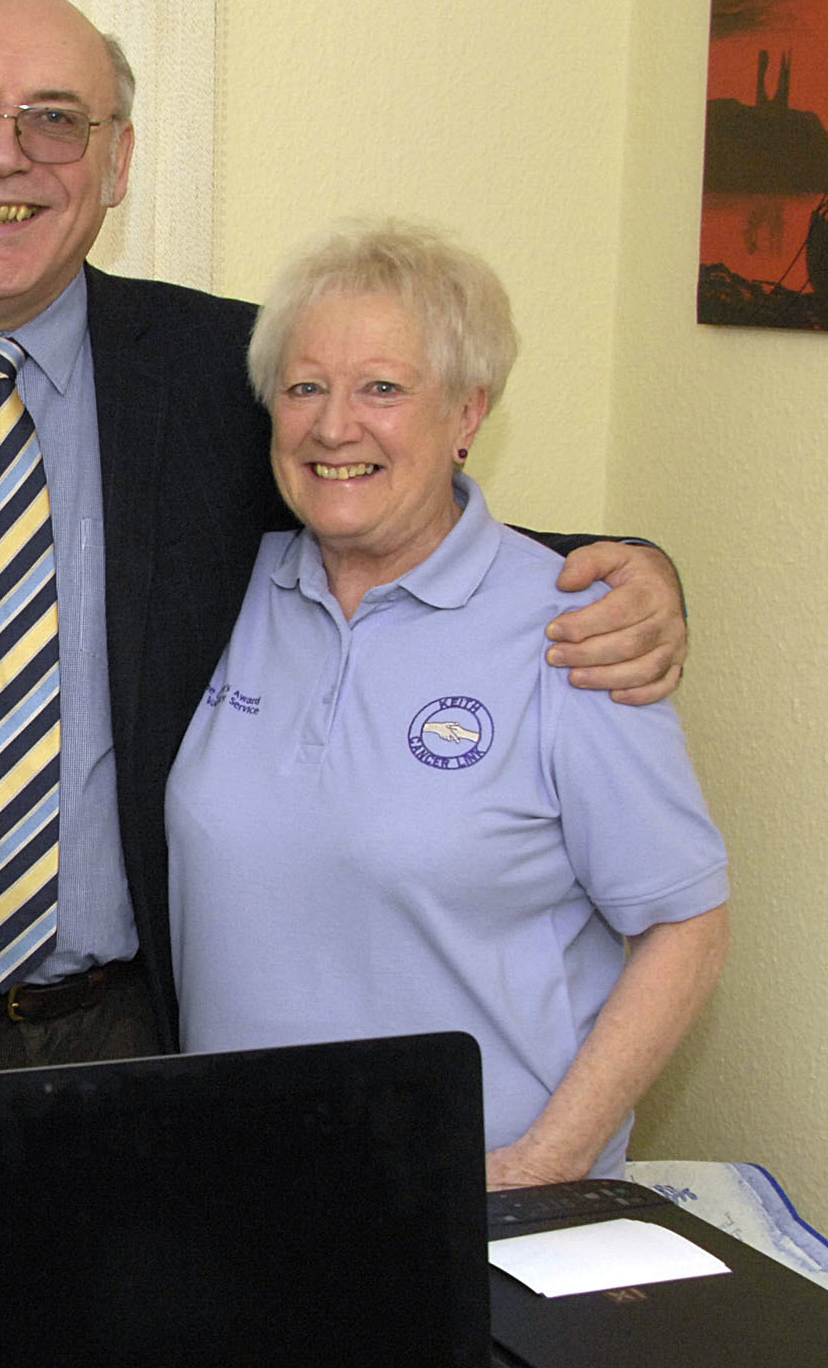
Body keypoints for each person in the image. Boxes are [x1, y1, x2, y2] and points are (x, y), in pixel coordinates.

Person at [0, 0, 688, 1094]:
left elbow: (388, 499)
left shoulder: (224, 373)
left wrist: (631, 568)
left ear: (119, 162)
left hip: (150, 1041)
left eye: (54, 119)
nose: (2, 157)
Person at [168, 224, 728, 1183]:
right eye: (306, 387)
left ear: (468, 412)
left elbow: (685, 926)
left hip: (478, 1197)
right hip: (234, 1185)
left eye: (383, 388)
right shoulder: (223, 591)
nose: (334, 426)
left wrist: (548, 1159)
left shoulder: (574, 630)